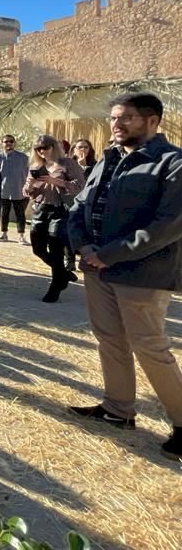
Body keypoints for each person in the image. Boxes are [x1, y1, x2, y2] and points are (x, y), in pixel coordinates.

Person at [67, 93, 182, 459]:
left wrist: (108, 254)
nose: (116, 125)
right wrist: (83, 246)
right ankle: (118, 409)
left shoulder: (172, 162)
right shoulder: (109, 158)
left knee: (150, 347)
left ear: (152, 121)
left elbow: (168, 225)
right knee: (109, 339)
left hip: (143, 273)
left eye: (126, 118)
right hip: (96, 268)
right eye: (113, 118)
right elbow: (80, 205)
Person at [23, 135, 84, 302]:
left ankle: (56, 286)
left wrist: (55, 181)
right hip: (40, 209)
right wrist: (30, 186)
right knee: (38, 248)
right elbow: (26, 191)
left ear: (53, 147)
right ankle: (63, 274)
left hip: (60, 209)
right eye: (38, 149)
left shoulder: (67, 163)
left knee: (56, 248)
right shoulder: (36, 166)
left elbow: (80, 186)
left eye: (45, 147)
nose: (41, 151)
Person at [64, 137, 99, 272]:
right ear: (74, 150)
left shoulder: (96, 166)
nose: (83, 150)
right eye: (80, 147)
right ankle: (70, 260)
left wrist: (84, 167)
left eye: (86, 147)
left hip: (88, 204)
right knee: (69, 231)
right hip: (69, 202)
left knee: (84, 232)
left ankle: (86, 257)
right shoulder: (67, 165)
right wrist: (78, 167)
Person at [0, 134, 31, 245]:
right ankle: (4, 234)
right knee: (4, 213)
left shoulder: (23, 158)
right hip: (3, 191)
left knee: (20, 214)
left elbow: (29, 173)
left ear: (14, 143)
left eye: (11, 141)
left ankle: (21, 236)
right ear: (2, 144)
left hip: (19, 190)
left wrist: (28, 187)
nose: (9, 143)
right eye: (6, 141)